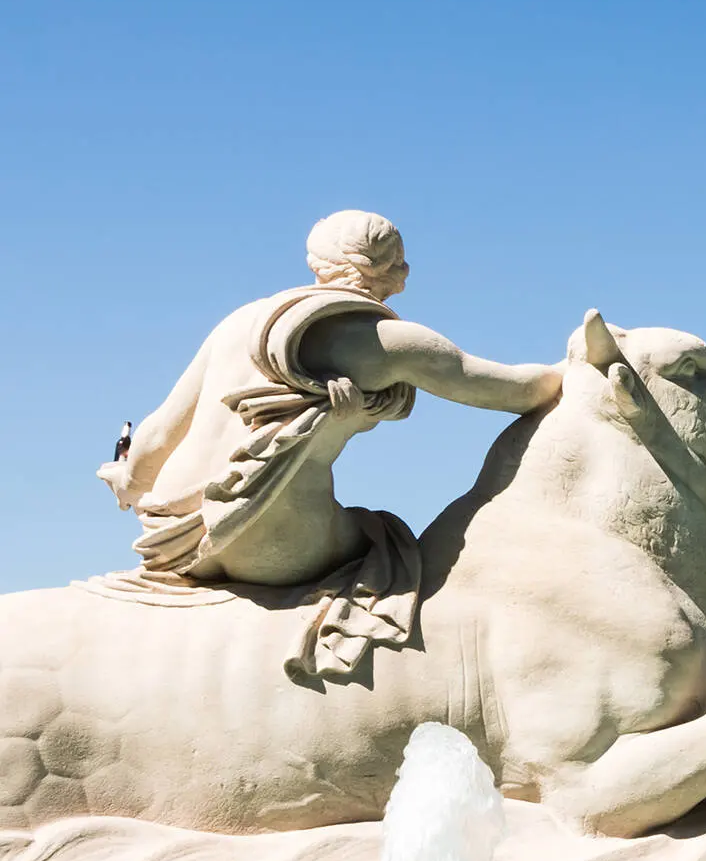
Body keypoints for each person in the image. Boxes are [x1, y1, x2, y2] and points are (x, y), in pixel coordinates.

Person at [99, 210, 560, 588]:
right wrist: (578, 366)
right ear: (396, 269)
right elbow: (518, 390)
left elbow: (159, 430)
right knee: (387, 542)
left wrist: (129, 482)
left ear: (316, 261)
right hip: (271, 542)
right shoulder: (389, 341)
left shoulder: (243, 321)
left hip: (175, 537)